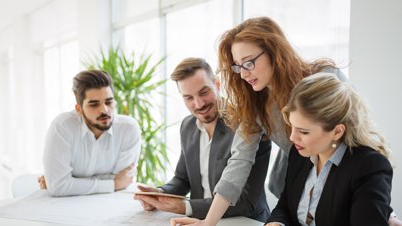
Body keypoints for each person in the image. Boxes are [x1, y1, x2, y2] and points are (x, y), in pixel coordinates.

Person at [171, 16, 400, 226]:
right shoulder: (255, 103)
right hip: (298, 185)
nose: (243, 73)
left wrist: (377, 199)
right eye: (238, 66)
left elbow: (360, 130)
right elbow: (239, 162)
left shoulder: (322, 77)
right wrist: (208, 222)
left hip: (344, 184)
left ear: (274, 51)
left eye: (249, 62)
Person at [134, 58, 271, 221]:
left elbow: (247, 202)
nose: (198, 104)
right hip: (199, 220)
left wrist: (185, 207)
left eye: (204, 92)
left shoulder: (248, 125)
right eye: (189, 98)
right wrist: (160, 194)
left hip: (245, 221)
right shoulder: (187, 126)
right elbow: (182, 179)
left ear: (217, 84)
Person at [265, 73, 393, 225]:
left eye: (304, 131)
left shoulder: (368, 166)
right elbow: (285, 206)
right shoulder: (300, 154)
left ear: (337, 132)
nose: (292, 137)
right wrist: (276, 223)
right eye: (291, 126)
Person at [41, 69, 141, 197]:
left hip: (110, 203)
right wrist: (112, 184)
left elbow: (123, 180)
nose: (104, 110)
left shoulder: (128, 129)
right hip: (66, 207)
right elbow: (58, 186)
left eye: (109, 102)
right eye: (94, 105)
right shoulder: (62, 127)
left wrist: (69, 181)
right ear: (79, 109)